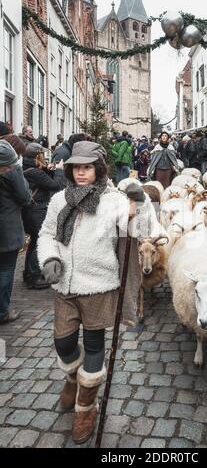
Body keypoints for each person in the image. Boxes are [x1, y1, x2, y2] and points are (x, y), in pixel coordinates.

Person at [37, 141, 160, 444]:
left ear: (99, 169)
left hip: (99, 287)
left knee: (93, 345)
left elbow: (141, 229)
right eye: (76, 167)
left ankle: (85, 408)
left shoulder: (114, 201)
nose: (81, 173)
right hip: (64, 286)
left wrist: (140, 203)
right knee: (63, 343)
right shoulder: (59, 200)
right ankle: (70, 377)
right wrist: (49, 258)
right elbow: (47, 235)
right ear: (69, 169)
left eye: (87, 167)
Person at [22, 143, 65, 289]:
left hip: (31, 210)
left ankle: (28, 273)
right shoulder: (34, 172)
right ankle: (33, 277)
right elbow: (56, 186)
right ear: (38, 156)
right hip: (37, 210)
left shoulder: (28, 168)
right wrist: (59, 171)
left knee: (34, 241)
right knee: (38, 241)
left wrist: (48, 169)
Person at [0, 141, 32, 325]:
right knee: (5, 269)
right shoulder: (11, 172)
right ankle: (3, 311)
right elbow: (25, 197)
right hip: (7, 227)